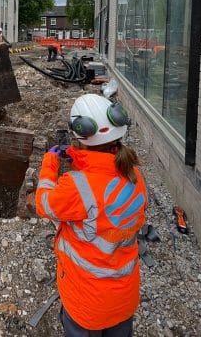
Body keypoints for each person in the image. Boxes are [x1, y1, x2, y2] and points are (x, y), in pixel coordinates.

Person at [35, 93, 147, 336]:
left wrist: (49, 164)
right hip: (124, 298)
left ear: (79, 134)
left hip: (87, 304)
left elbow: (44, 203)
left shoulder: (77, 186)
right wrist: (79, 157)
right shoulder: (135, 175)